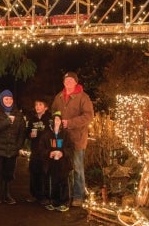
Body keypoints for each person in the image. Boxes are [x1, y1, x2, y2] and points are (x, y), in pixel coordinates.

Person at [51, 71, 94, 207]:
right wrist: (56, 118)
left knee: (77, 168)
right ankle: (64, 195)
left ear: (76, 82)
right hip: (61, 139)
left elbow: (88, 116)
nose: (68, 82)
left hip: (76, 139)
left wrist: (70, 123)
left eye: (71, 80)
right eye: (66, 80)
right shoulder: (59, 97)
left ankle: (78, 196)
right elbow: (54, 112)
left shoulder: (83, 97)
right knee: (62, 167)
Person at [0, 89, 26, 204]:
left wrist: (18, 146)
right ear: (2, 100)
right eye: (6, 99)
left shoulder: (18, 114)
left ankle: (7, 195)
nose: (9, 101)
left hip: (12, 150)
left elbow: (22, 133)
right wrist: (6, 122)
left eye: (10, 98)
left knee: (9, 173)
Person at [40, 111, 74, 212]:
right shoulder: (46, 135)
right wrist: (49, 153)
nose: (57, 121)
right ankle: (51, 201)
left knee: (64, 182)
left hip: (63, 163)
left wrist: (62, 153)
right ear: (51, 122)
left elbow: (71, 147)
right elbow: (41, 148)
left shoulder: (66, 134)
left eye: (58, 119)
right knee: (51, 182)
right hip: (50, 164)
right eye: (55, 119)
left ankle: (64, 202)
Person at [26, 98, 52, 205]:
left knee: (44, 173)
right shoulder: (32, 119)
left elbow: (52, 133)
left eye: (40, 105)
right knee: (34, 172)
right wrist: (29, 135)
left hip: (45, 150)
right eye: (36, 104)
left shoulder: (49, 119)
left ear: (46, 107)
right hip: (35, 149)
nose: (37, 107)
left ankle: (45, 196)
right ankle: (34, 195)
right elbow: (27, 131)